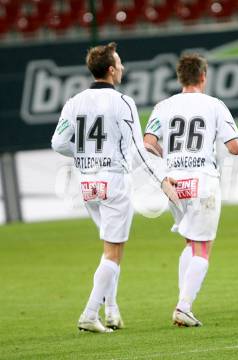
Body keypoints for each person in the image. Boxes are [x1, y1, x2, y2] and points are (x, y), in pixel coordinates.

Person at [51, 42, 179, 333]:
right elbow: (136, 149)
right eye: (119, 64)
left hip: (87, 184)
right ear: (110, 70)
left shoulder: (74, 102)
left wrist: (84, 155)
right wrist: (161, 178)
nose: (122, 68)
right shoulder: (122, 102)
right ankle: (89, 313)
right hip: (113, 181)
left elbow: (58, 143)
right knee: (113, 251)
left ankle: (111, 310)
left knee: (110, 249)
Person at [144, 53, 238, 327]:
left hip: (174, 183)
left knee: (190, 241)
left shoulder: (164, 106)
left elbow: (148, 142)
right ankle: (183, 306)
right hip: (202, 181)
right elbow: (235, 147)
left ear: (180, 78)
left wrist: (167, 160)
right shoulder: (214, 105)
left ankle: (183, 300)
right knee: (202, 247)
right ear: (202, 76)